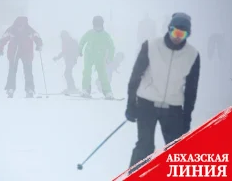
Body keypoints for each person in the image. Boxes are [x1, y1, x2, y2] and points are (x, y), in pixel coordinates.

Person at [125, 13, 200, 173]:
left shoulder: (192, 55)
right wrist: (131, 105)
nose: (177, 37)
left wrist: (186, 118)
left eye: (182, 34)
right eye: (175, 32)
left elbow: (191, 89)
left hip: (173, 108)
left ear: (188, 35)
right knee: (145, 146)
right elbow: (135, 76)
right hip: (147, 103)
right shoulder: (151, 46)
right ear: (169, 29)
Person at [0, 16, 43, 98]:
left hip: (24, 53)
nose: (20, 27)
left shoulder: (26, 30)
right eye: (19, 25)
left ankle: (13, 88)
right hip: (17, 52)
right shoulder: (24, 29)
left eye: (22, 25)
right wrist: (39, 44)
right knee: (25, 71)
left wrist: (39, 45)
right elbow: (37, 37)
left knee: (17, 71)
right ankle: (27, 89)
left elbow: (3, 39)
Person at [79, 16, 115, 99]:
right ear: (93, 25)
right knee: (87, 72)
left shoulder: (105, 35)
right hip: (89, 55)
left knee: (102, 74)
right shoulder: (90, 33)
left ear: (102, 25)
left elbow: (111, 47)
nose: (97, 28)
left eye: (99, 26)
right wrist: (80, 50)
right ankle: (85, 90)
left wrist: (110, 57)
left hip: (100, 57)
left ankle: (108, 92)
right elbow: (82, 41)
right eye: (96, 26)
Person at [53, 30, 80, 94]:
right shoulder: (65, 42)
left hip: (71, 60)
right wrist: (57, 57)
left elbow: (77, 51)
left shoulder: (71, 42)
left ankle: (72, 88)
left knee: (67, 73)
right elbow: (64, 52)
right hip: (68, 60)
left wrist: (74, 58)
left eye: (62, 37)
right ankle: (71, 88)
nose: (62, 38)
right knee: (68, 73)